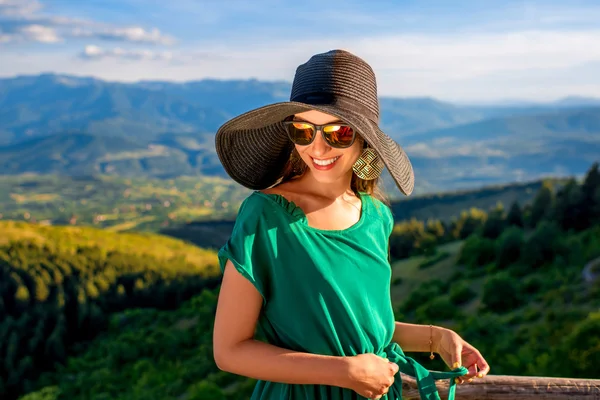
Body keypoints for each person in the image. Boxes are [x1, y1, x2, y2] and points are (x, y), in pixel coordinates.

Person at [212, 49, 490, 400]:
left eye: (338, 132)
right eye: (302, 130)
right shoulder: (265, 217)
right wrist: (343, 372)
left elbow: (357, 328)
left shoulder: (376, 217)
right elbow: (229, 350)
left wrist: (436, 338)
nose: (318, 147)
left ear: (364, 139)